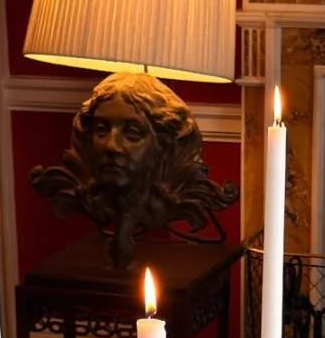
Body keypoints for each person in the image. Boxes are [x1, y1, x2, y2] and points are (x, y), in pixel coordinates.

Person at [30, 72, 236, 268]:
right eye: (101, 130)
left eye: (132, 133)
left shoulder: (168, 191)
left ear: (163, 145)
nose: (111, 146)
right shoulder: (88, 191)